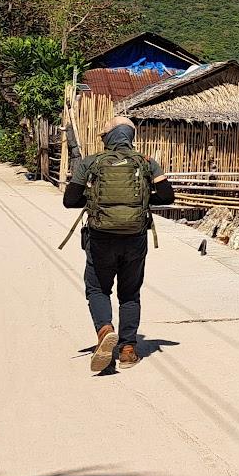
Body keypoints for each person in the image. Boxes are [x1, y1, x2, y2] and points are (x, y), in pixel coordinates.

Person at [63, 116, 175, 373]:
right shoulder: (147, 163)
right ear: (130, 137)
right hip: (135, 238)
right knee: (130, 293)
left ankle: (105, 330)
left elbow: (70, 201)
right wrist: (142, 203)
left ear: (109, 138)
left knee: (97, 289)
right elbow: (168, 196)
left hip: (100, 237)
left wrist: (95, 203)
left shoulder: (91, 162)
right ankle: (127, 349)